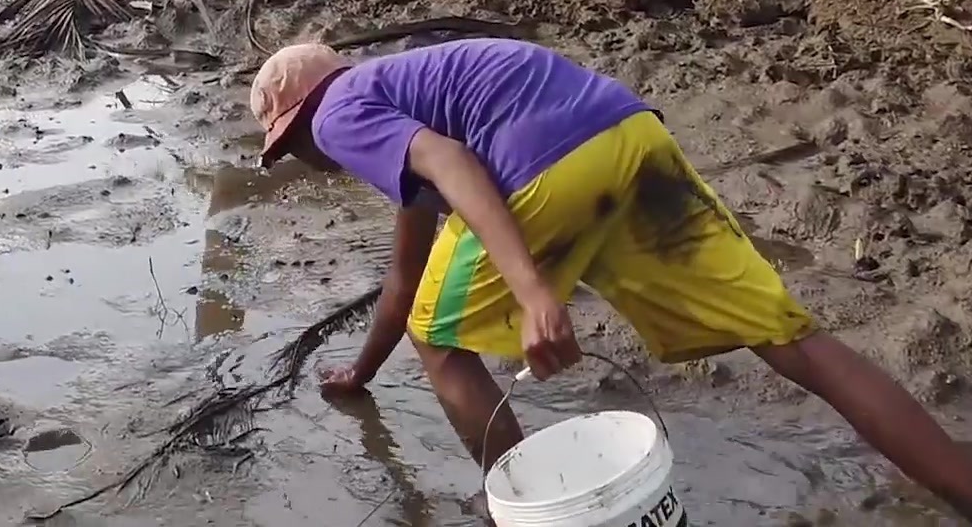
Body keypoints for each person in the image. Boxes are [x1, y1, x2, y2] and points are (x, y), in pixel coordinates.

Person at [250, 37, 972, 518]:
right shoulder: (405, 90)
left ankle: (525, 506)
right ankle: (956, 479)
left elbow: (453, 166)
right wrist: (361, 372)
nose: (303, 160)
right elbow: (406, 279)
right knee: (792, 340)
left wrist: (534, 291)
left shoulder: (342, 111)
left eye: (289, 145)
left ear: (304, 114)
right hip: (630, 136)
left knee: (442, 347)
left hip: (543, 165)